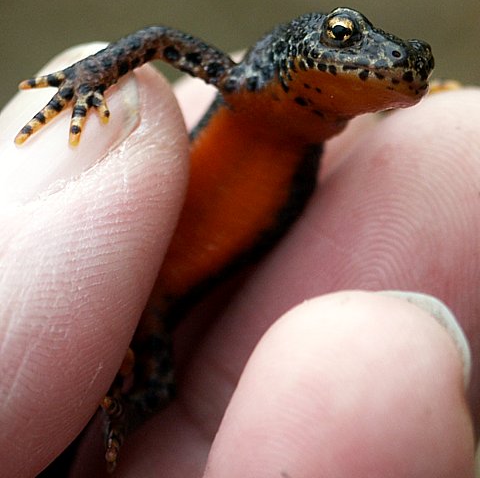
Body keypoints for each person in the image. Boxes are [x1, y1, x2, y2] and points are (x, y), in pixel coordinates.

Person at [1, 44, 478, 477]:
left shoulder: (324, 130)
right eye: (340, 34)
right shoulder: (248, 82)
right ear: (295, 46)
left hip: (159, 311)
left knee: (153, 389)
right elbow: (160, 39)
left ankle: (114, 421)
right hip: (118, 256)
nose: (384, 64)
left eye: (418, 70)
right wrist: (90, 76)